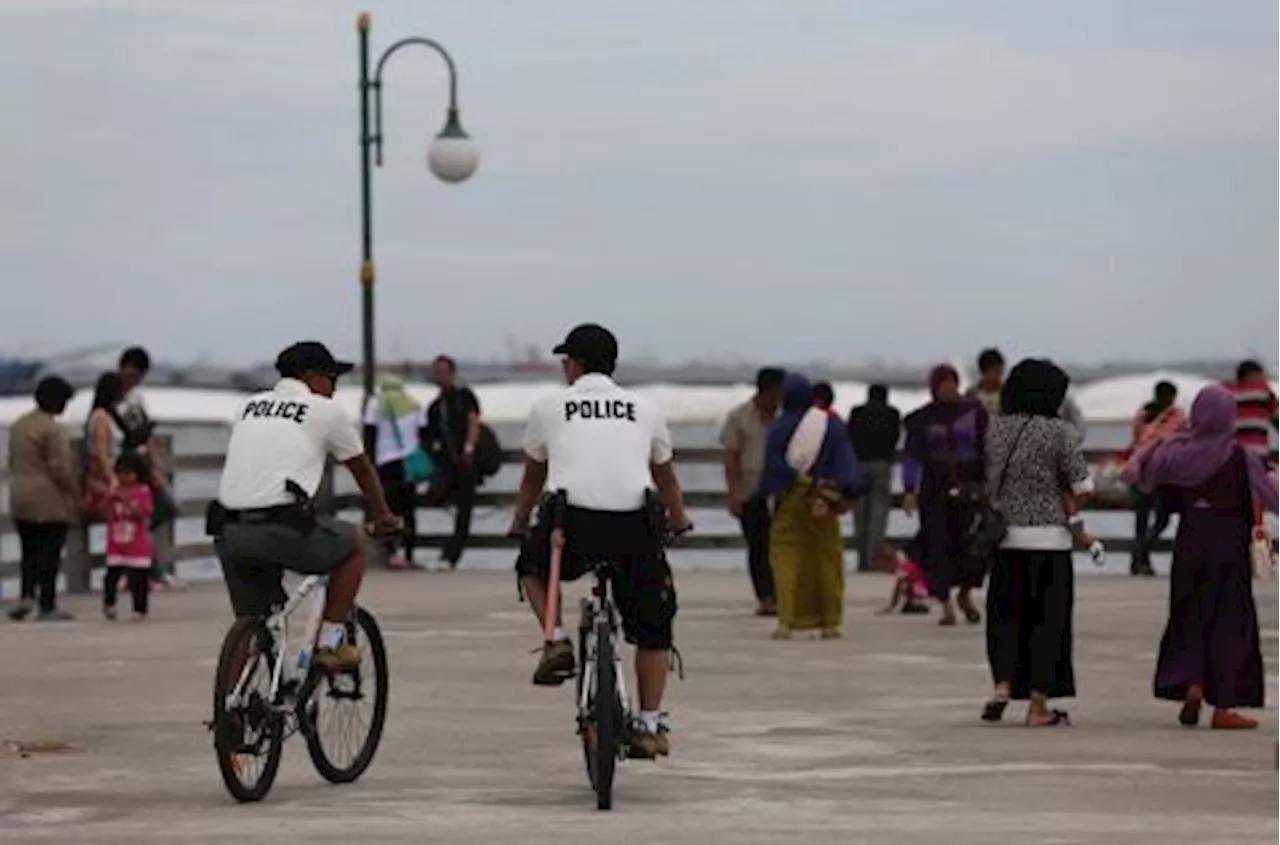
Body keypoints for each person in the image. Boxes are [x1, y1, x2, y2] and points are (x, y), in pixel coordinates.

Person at [508, 323, 691, 759]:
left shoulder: (550, 405)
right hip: (634, 527)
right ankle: (648, 725)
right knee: (653, 629)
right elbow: (666, 477)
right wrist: (679, 520)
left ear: (574, 364)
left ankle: (556, 640)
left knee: (530, 568)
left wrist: (519, 521)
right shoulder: (644, 407)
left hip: (571, 527)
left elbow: (533, 476)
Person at [212, 342, 401, 670]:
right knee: (353, 545)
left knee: (252, 623)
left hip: (228, 529)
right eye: (332, 379)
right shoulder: (324, 411)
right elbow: (361, 468)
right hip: (279, 525)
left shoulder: (248, 406)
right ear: (312, 376)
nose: (334, 388)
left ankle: (233, 708)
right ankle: (329, 645)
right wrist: (383, 514)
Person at [1126, 385, 1279, 730]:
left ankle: (1192, 685)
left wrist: (1167, 438)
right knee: (1230, 622)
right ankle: (1223, 706)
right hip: (1228, 545)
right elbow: (1273, 497)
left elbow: (1137, 475)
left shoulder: (1178, 454)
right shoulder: (1241, 457)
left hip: (1190, 540)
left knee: (1189, 615)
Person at [982, 359, 1097, 727]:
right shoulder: (1060, 432)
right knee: (1047, 624)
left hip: (1005, 540)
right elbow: (1084, 486)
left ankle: (1002, 684)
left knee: (1004, 618)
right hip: (1050, 542)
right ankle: (1037, 707)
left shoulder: (995, 430)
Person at [759, 373, 862, 640]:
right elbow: (846, 464)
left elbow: (771, 467)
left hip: (790, 501)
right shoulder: (830, 424)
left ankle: (786, 622)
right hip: (823, 501)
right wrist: (844, 493)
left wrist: (782, 487)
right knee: (826, 559)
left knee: (786, 560)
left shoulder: (780, 427)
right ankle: (830, 622)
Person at [902, 364, 989, 626]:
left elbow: (988, 448)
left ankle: (965, 594)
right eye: (943, 384)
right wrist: (909, 490)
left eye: (952, 383)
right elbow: (912, 456)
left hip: (969, 489)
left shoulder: (974, 412)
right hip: (935, 492)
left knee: (973, 545)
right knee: (937, 546)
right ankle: (946, 604)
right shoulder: (922, 419)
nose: (949, 388)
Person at [7, 376, 78, 622]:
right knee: (50, 550)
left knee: (29, 550)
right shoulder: (53, 429)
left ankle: (26, 596)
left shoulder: (19, 426)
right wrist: (73, 493)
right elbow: (59, 468)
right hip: (47, 496)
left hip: (19, 493)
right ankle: (47, 604)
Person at [719, 367, 784, 615]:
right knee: (758, 546)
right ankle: (766, 596)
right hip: (750, 491)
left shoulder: (785, 417)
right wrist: (733, 493)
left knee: (780, 546)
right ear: (765, 391)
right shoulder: (739, 417)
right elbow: (731, 457)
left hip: (780, 493)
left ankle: (783, 593)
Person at [116, 346, 179, 589]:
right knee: (142, 517)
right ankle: (143, 570)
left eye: (138, 376)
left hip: (143, 464)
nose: (134, 380)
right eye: (131, 374)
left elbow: (148, 433)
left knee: (162, 509)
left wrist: (156, 464)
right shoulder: (111, 398)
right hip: (127, 465)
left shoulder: (136, 399)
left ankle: (145, 569)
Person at [362, 375, 427, 570]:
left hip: (385, 462)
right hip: (408, 464)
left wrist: (369, 464)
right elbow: (423, 433)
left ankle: (392, 553)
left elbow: (369, 435)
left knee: (388, 509)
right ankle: (409, 554)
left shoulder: (375, 404)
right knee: (409, 510)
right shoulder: (413, 403)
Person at [424, 355, 481, 570]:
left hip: (466, 462)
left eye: (443, 371)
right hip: (446, 464)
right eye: (436, 372)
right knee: (434, 495)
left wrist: (469, 448)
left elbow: (473, 420)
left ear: (452, 373)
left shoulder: (464, 396)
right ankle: (443, 550)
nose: (439, 376)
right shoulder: (434, 407)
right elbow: (429, 438)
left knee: (464, 511)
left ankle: (451, 555)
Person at [1125, 381, 1185, 576]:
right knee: (1162, 518)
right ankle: (1141, 555)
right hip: (1161, 474)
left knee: (1141, 521)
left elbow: (1135, 441)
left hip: (1137, 471)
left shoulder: (1142, 413)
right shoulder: (1175, 415)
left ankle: (1139, 561)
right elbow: (1176, 438)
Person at [847, 384, 901, 572]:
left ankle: (862, 561)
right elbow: (895, 437)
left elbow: (850, 436)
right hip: (882, 464)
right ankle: (873, 561)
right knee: (879, 514)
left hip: (859, 465)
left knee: (859, 514)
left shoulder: (857, 413)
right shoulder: (892, 414)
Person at [102, 452, 154, 621]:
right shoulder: (114, 491)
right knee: (111, 576)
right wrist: (109, 499)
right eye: (120, 474)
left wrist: (125, 501)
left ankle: (140, 608)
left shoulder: (143, 491)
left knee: (138, 579)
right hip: (116, 542)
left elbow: (143, 513)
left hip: (137, 543)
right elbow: (105, 513)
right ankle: (109, 604)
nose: (124, 478)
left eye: (128, 473)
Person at [83, 372, 126, 513]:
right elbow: (102, 453)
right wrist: (112, 479)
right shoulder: (100, 418)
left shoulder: (108, 415)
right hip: (104, 477)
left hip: (113, 472)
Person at [1227, 359, 1280, 463]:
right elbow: (1277, 413)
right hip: (1257, 451)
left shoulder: (1225, 391)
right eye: (1262, 375)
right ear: (1252, 375)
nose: (1265, 378)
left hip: (1231, 452)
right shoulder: (1262, 390)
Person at [874, 540, 930, 615]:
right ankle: (912, 603)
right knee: (906, 583)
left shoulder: (903, 565)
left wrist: (892, 606)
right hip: (922, 584)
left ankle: (914, 603)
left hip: (922, 587)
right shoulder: (904, 559)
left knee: (904, 584)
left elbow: (899, 586)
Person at [966, 348, 1005, 417]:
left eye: (1000, 372)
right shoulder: (972, 394)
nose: (999, 376)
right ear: (984, 372)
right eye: (996, 372)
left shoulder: (1006, 392)